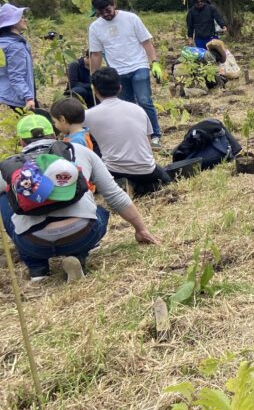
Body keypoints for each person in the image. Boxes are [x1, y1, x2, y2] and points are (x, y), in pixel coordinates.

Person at [0, 114, 157, 283]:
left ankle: (37, 268)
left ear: (21, 142)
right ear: (54, 135)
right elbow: (114, 195)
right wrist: (141, 229)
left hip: (33, 244)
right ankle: (78, 255)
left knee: (4, 196)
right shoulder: (78, 151)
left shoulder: (10, 166)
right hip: (81, 236)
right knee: (100, 211)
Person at [88, 0, 162, 147]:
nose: (106, 15)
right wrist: (94, 76)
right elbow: (96, 54)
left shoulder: (131, 18)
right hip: (117, 71)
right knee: (127, 105)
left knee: (144, 100)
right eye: (101, 12)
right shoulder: (95, 28)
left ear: (114, 4)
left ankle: (155, 135)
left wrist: (154, 62)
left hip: (138, 65)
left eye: (108, 10)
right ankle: (136, 135)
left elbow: (146, 42)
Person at [85, 68, 170, 196]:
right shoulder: (138, 110)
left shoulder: (89, 115)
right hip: (146, 169)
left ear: (95, 91)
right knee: (165, 179)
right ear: (120, 88)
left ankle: (126, 185)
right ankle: (138, 187)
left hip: (112, 170)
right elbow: (147, 142)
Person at [0, 2, 36, 110]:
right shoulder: (15, 46)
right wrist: (28, 97)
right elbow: (16, 76)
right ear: (14, 22)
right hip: (16, 99)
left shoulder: (4, 42)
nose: (25, 20)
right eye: (21, 17)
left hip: (5, 94)